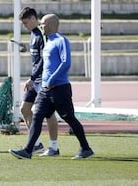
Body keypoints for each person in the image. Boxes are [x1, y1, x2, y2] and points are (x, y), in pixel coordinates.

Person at [9, 14, 94, 159]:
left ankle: (85, 148)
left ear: (51, 25)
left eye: (43, 24)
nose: (41, 26)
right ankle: (28, 150)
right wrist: (43, 83)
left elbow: (65, 63)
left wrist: (51, 80)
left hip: (59, 89)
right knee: (36, 117)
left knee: (69, 118)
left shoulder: (61, 41)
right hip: (45, 90)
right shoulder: (48, 42)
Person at [19, 7, 59, 157]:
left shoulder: (42, 34)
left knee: (48, 114)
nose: (24, 26)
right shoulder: (32, 35)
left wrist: (32, 77)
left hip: (43, 80)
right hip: (35, 79)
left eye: (25, 22)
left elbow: (44, 59)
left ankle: (54, 147)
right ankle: (36, 144)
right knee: (25, 109)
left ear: (34, 19)